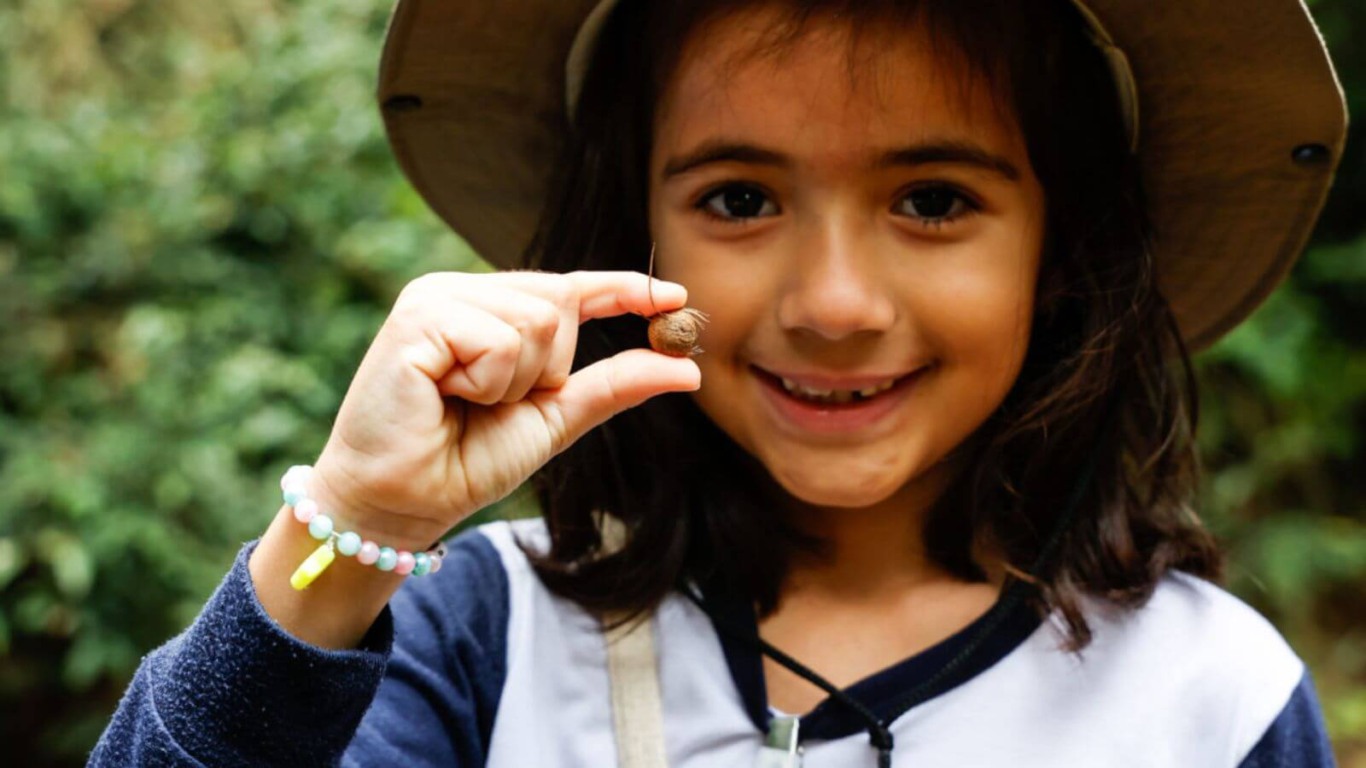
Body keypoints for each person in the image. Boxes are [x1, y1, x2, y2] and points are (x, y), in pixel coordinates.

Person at [88, 0, 1348, 766]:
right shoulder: (482, 638)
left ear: (1063, 253)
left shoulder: (1210, 701)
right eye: (739, 200)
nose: (833, 305)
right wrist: (358, 523)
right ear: (630, 238)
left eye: (932, 200)